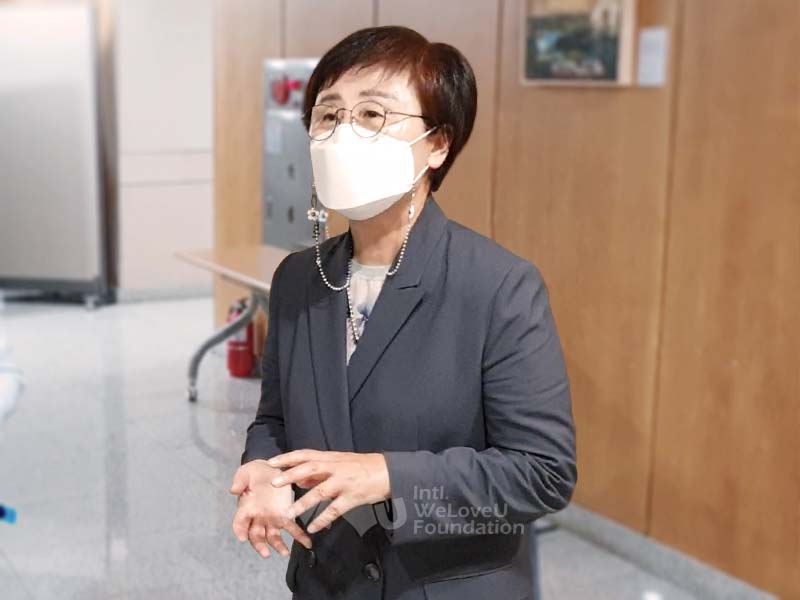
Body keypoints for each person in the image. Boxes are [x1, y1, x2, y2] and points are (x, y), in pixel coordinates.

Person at [230, 25, 577, 600]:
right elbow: (274, 419)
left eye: (373, 114)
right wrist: (265, 470)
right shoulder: (298, 278)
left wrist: (388, 475)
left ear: (437, 145)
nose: (344, 134)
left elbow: (542, 473)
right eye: (328, 115)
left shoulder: (497, 285)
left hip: (445, 586)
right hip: (328, 581)